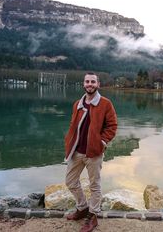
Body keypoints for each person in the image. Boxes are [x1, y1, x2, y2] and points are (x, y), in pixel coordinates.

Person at [64, 72, 117, 232]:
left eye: (93, 82)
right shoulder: (77, 104)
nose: (90, 84)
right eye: (87, 81)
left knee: (95, 185)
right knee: (70, 182)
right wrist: (69, 141)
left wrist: (101, 142)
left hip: (94, 153)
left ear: (98, 84)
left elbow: (112, 126)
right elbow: (74, 125)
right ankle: (82, 208)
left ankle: (93, 216)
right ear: (83, 84)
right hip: (76, 151)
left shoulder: (105, 104)